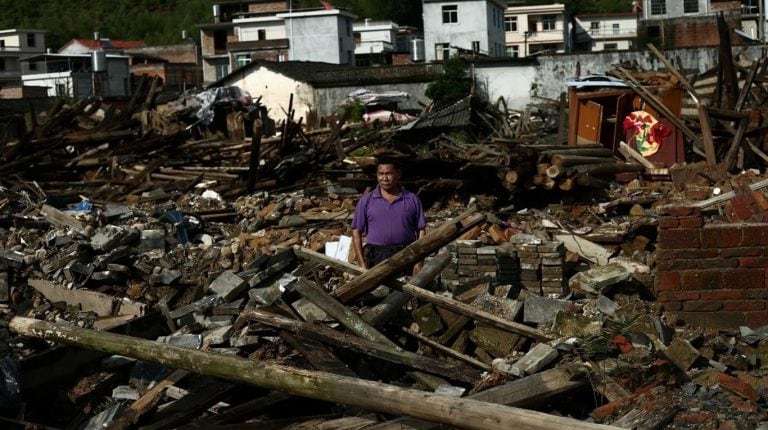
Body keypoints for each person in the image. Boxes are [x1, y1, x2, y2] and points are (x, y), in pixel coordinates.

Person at [351, 159, 426, 274]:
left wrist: (419, 261)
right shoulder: (366, 200)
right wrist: (361, 263)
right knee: (379, 291)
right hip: (376, 255)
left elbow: (421, 231)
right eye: (380, 174)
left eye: (389, 173)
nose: (384, 178)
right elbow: (356, 231)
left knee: (405, 290)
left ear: (398, 174)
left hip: (405, 253)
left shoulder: (411, 199)